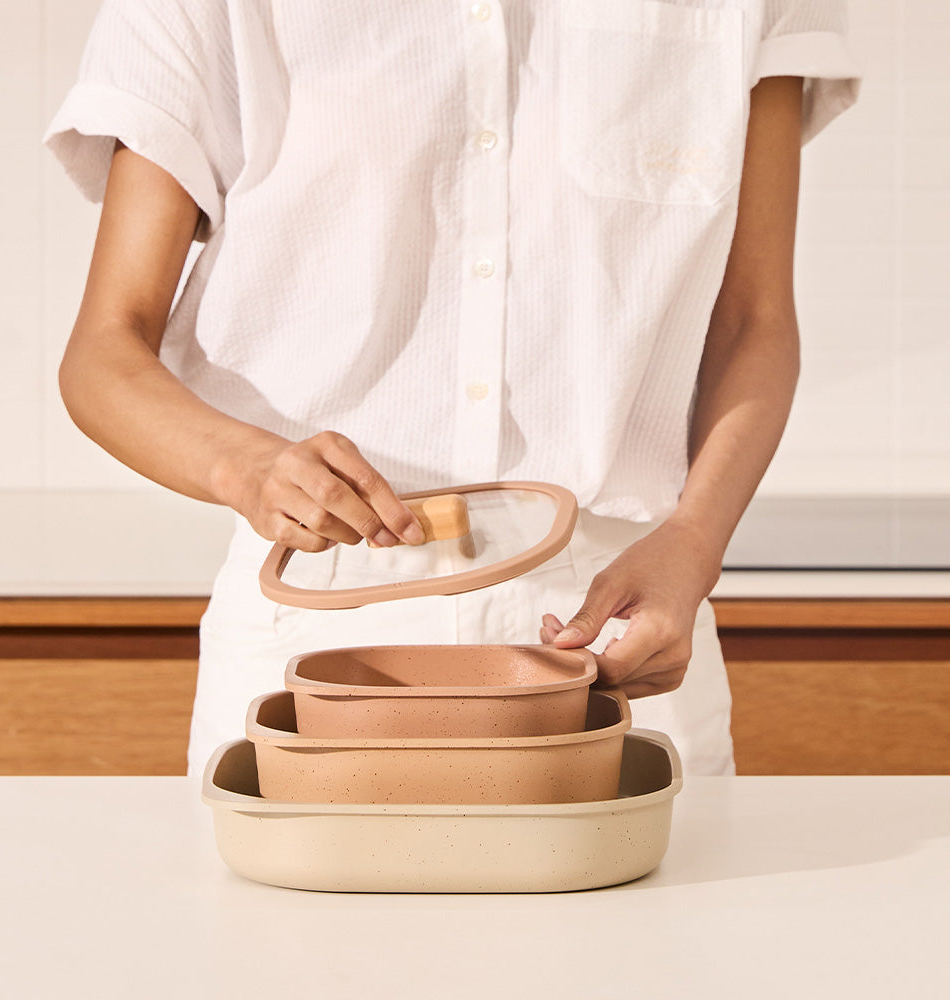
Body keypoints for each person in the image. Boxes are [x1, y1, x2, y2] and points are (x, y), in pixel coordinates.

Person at [44, 0, 860, 776]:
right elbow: (103, 352)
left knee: (651, 884)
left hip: (613, 613)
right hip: (313, 604)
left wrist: (694, 544)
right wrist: (247, 468)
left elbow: (753, 321)